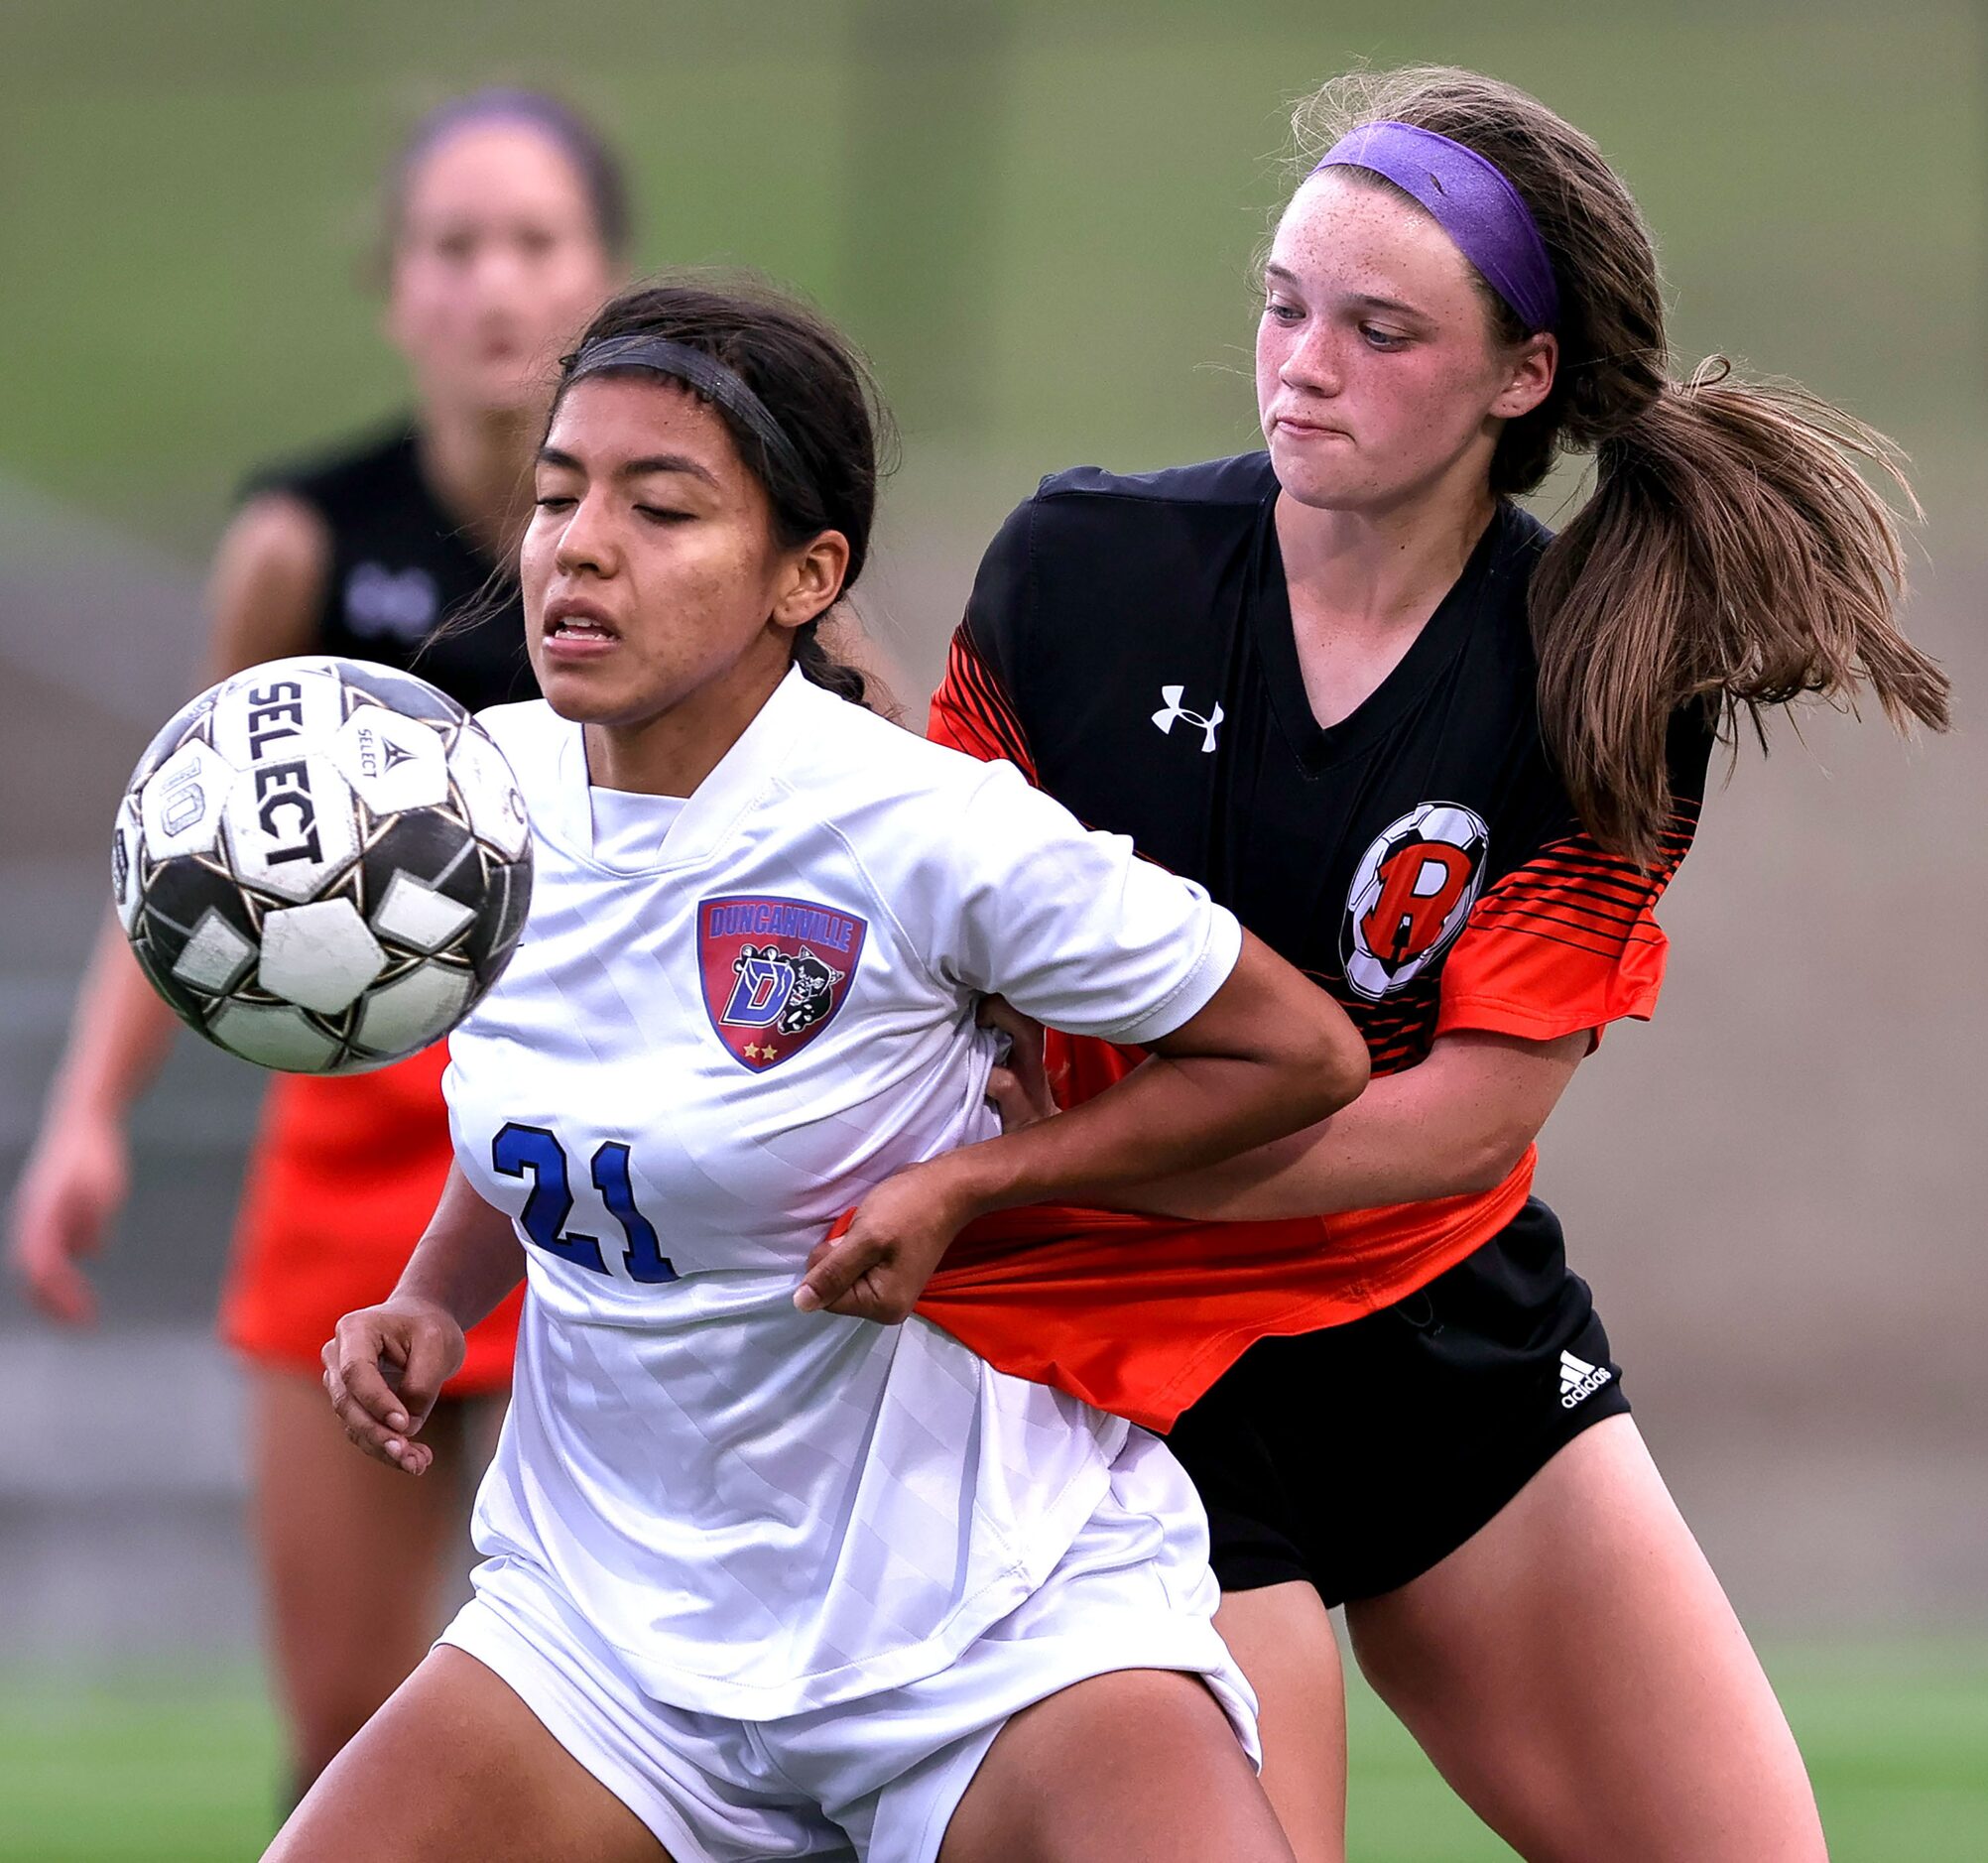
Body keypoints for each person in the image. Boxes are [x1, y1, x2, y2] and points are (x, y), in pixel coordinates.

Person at [925, 64, 1950, 1863]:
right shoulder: (1080, 577)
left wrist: (1068, 1159)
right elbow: (933, 960)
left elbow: (1461, 1123)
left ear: (1523, 375)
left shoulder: (1600, 665)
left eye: (1381, 328)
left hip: (1434, 1326)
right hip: (1110, 1358)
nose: (1303, 360)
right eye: (1283, 303)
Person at [271, 276, 1372, 1863]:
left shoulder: (928, 831)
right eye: (558, 493)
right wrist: (437, 1294)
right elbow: (570, 1095)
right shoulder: (465, 797)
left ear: (809, 574)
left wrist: (977, 1180)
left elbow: (1301, 1049)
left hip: (991, 1628)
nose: (579, 544)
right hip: (605, 1641)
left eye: (660, 508)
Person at [8, 89, 626, 1794]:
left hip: (600, 1151)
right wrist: (82, 1120)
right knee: (351, 1738)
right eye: (455, 246)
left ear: (605, 273)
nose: (496, 283)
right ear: (397, 286)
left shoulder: (688, 537)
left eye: (536, 242)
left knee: (660, 1728)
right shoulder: (303, 539)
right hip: (353, 1162)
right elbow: (180, 863)